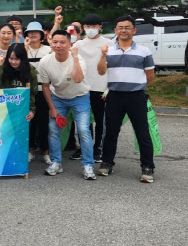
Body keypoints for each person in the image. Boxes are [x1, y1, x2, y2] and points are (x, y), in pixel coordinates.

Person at [97, 15, 156, 183]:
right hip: (114, 95)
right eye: (120, 27)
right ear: (115, 30)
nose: (123, 30)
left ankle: (148, 167)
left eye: (127, 27)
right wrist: (102, 56)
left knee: (142, 132)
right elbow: (101, 71)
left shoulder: (144, 51)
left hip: (136, 96)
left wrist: (136, 85)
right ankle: (107, 163)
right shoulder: (108, 50)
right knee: (111, 132)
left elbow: (150, 75)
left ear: (134, 30)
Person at [38, 30, 95, 180]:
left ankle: (88, 165)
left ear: (70, 44)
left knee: (83, 129)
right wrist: (52, 107)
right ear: (50, 42)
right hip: (58, 98)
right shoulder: (45, 61)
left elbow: (77, 79)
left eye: (63, 42)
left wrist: (75, 56)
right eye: (55, 42)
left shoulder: (79, 59)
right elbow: (45, 86)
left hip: (80, 97)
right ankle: (56, 162)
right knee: (53, 129)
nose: (58, 45)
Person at [73, 13, 112, 162]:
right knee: (83, 122)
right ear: (83, 28)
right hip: (83, 88)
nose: (91, 29)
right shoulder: (78, 45)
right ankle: (85, 147)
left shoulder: (108, 43)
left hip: (101, 88)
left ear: (100, 27)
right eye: (88, 26)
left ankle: (99, 148)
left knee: (101, 120)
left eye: (94, 26)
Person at [0, 44, 37, 160]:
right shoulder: (3, 68)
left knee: (21, 135)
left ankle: (21, 157)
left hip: (21, 110)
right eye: (11, 58)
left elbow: (32, 94)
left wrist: (32, 110)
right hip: (3, 108)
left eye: (17, 59)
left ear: (23, 59)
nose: (13, 62)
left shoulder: (31, 72)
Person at [24, 21, 52, 164]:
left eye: (36, 32)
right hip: (27, 91)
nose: (33, 34)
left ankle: (46, 152)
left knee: (43, 122)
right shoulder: (24, 49)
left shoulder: (48, 50)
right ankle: (30, 151)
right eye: (30, 32)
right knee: (30, 122)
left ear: (42, 35)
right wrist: (24, 47)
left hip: (43, 90)